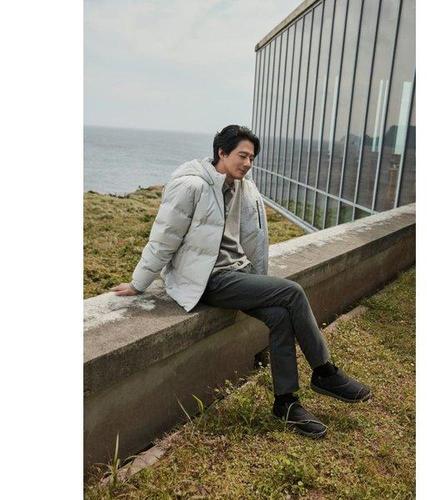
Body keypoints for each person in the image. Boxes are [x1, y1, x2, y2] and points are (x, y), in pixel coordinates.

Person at [111, 124, 371, 438]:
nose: (248, 163)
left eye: (252, 158)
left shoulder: (244, 187)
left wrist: (259, 282)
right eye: (242, 155)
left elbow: (256, 238)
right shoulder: (191, 186)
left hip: (238, 273)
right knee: (292, 292)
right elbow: (164, 236)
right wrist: (139, 283)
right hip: (209, 279)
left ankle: (286, 403)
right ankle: (325, 372)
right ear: (221, 152)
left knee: (280, 316)